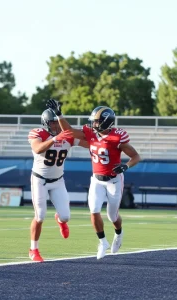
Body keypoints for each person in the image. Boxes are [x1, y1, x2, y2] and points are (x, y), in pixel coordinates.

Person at [47, 99, 141, 259]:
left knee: (113, 216)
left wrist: (125, 166)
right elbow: (68, 131)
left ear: (105, 121)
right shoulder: (91, 134)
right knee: (94, 210)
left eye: (96, 121)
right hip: (97, 180)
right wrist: (59, 114)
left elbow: (135, 156)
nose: (93, 124)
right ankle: (102, 241)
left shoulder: (117, 137)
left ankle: (118, 233)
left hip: (114, 181)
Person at [28, 108, 88, 262]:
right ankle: (33, 249)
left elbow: (87, 144)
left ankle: (60, 221)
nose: (56, 126)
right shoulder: (38, 134)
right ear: (45, 124)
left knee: (66, 216)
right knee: (40, 215)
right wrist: (55, 139)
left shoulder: (67, 136)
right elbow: (37, 148)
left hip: (58, 181)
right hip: (39, 180)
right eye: (52, 123)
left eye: (57, 123)